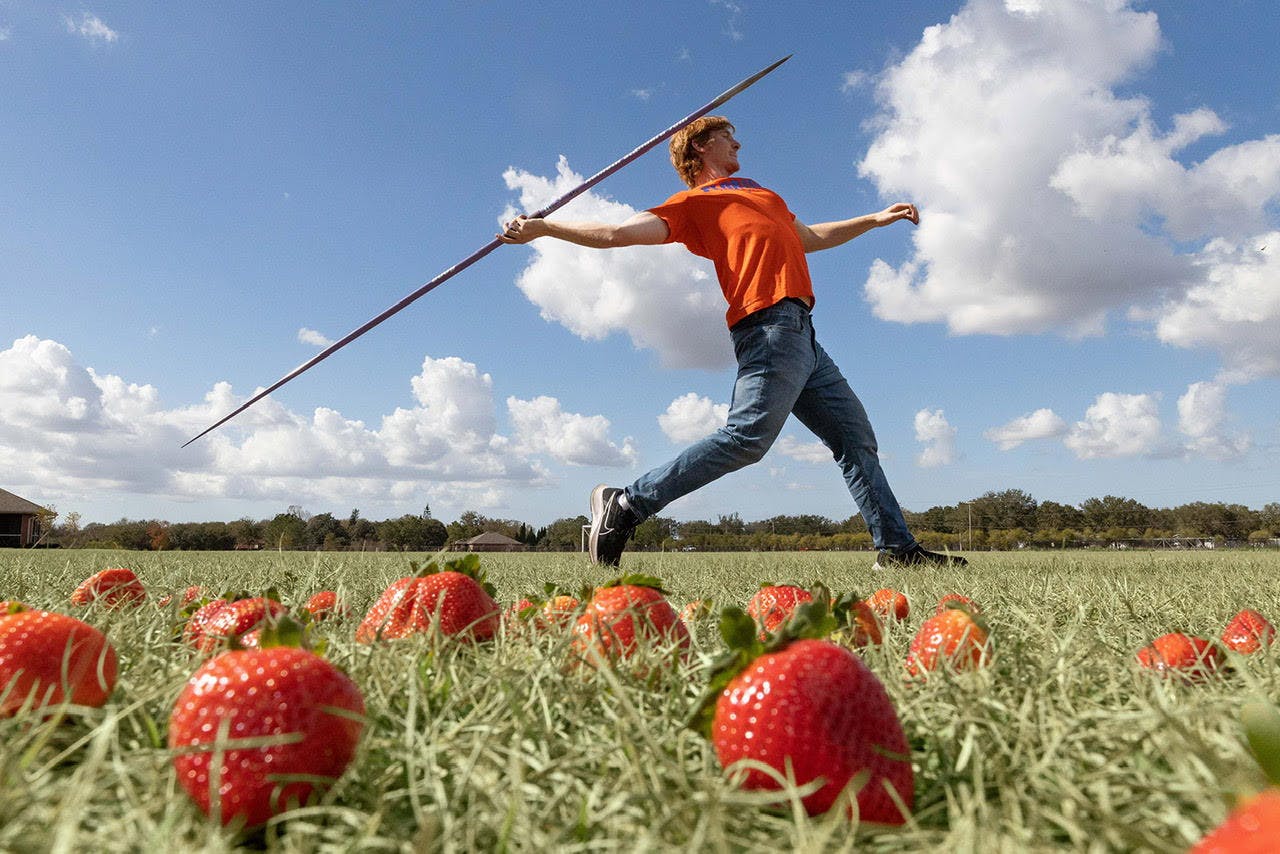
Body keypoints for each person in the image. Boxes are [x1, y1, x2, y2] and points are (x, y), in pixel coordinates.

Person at [499, 116, 966, 571]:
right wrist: (545, 229)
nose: (738, 146)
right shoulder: (694, 202)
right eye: (728, 137)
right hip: (767, 326)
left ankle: (897, 548)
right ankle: (627, 503)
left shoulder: (764, 194)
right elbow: (618, 234)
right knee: (746, 439)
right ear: (700, 146)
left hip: (804, 332)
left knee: (855, 440)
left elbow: (809, 237)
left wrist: (873, 219)